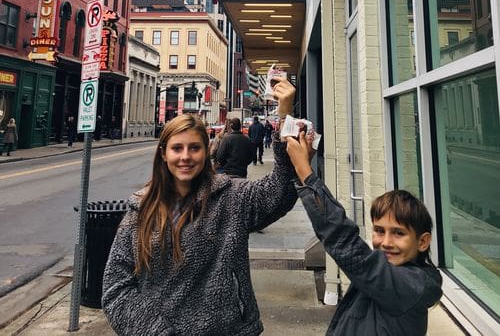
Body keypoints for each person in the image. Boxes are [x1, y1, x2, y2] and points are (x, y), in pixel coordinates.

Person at [102, 77, 296, 336]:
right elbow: (116, 288)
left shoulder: (232, 198)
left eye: (194, 148)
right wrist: (157, 331)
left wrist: (285, 115)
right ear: (163, 154)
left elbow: (279, 190)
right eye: (177, 148)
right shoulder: (141, 209)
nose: (185, 156)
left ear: (207, 152)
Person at [283, 83, 442, 335]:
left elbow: (346, 244)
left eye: (399, 233)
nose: (385, 242)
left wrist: (306, 173)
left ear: (423, 242)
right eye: (379, 230)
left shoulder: (411, 284)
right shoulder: (389, 275)